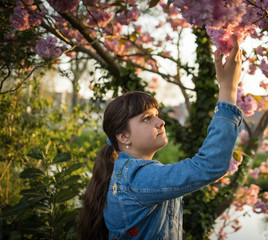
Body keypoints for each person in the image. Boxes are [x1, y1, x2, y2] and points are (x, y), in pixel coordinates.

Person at [78, 36, 243, 240]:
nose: (160, 122)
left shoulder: (127, 174)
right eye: (147, 119)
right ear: (123, 136)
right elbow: (209, 166)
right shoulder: (139, 178)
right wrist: (228, 89)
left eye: (157, 115)